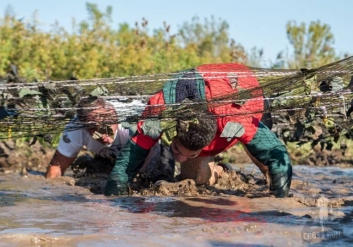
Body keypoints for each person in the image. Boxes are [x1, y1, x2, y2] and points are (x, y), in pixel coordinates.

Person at [104, 63, 293, 198]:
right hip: (202, 87)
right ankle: (222, 171)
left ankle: (263, 175)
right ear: (174, 131)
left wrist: (279, 201)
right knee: (195, 180)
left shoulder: (237, 119)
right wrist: (113, 195)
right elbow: (130, 157)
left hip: (246, 94)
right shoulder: (161, 108)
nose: (179, 159)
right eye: (176, 149)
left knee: (266, 163)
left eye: (190, 155)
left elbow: (279, 155)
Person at [45, 96, 175, 180]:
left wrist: (137, 179)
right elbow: (56, 168)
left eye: (106, 126)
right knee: (94, 179)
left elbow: (154, 149)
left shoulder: (132, 119)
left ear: (113, 115)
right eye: (94, 130)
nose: (103, 135)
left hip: (152, 149)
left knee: (157, 177)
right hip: (109, 158)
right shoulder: (75, 128)